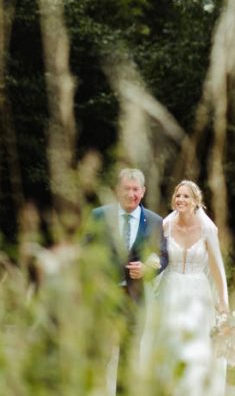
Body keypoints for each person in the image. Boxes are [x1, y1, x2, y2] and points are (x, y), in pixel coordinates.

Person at [141, 180, 230, 396]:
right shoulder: (166, 225)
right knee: (169, 343)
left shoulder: (208, 229)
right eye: (178, 195)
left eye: (186, 196)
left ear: (196, 201)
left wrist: (223, 300)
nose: (181, 200)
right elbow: (157, 253)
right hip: (170, 289)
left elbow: (217, 268)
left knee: (196, 345)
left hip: (198, 293)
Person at [85, 167, 167, 393]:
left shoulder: (154, 220)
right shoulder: (99, 215)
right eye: (126, 189)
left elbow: (163, 255)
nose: (131, 194)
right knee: (99, 352)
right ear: (116, 190)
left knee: (129, 354)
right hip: (104, 297)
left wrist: (148, 267)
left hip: (135, 298)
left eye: (136, 189)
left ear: (143, 191)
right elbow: (85, 251)